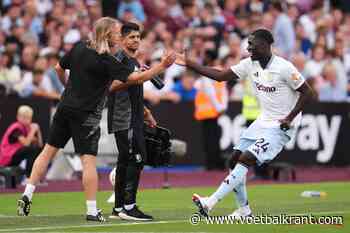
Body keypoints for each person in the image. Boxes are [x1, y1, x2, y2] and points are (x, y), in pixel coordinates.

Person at [17, 17, 176, 222]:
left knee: (47, 151)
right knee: (88, 162)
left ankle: (27, 194)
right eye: (118, 32)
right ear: (108, 34)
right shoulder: (106, 60)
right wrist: (162, 65)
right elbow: (137, 78)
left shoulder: (79, 47)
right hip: (87, 114)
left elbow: (58, 68)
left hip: (65, 107)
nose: (120, 36)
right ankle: (92, 210)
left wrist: (67, 88)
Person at [175, 29, 313, 217]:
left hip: (281, 125)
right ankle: (244, 210)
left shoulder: (284, 67)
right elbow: (220, 75)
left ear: (265, 45)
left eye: (251, 44)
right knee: (233, 160)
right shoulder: (249, 64)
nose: (248, 48)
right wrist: (188, 63)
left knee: (246, 158)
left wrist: (289, 118)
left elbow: (308, 92)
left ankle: (210, 202)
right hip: (263, 121)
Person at [108, 22, 166, 221]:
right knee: (136, 158)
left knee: (125, 162)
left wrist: (146, 112)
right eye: (131, 37)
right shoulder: (120, 60)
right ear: (122, 39)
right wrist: (157, 68)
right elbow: (112, 85)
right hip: (124, 119)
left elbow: (132, 92)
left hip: (132, 117)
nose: (135, 40)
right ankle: (129, 207)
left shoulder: (132, 61)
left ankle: (118, 208)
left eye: (137, 37)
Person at [0, 105, 42, 180]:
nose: (25, 119)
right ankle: (29, 178)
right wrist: (33, 130)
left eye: (28, 117)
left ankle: (35, 176)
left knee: (37, 150)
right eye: (23, 117)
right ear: (18, 117)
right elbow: (26, 144)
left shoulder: (26, 128)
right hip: (6, 157)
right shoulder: (16, 127)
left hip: (15, 156)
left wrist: (38, 131)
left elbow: (39, 145)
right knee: (31, 150)